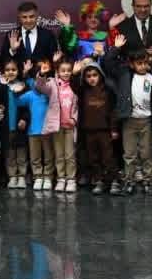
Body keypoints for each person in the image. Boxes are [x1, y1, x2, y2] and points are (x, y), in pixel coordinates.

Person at [104, 34, 152, 194]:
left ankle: (148, 180)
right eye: (139, 63)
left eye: (145, 63)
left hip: (146, 120)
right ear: (132, 64)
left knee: (146, 153)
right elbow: (107, 63)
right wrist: (116, 48)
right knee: (129, 154)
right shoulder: (125, 75)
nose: (143, 66)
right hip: (129, 120)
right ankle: (129, 180)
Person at [75, 60, 118, 194]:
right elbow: (72, 86)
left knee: (108, 157)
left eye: (95, 75)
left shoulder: (107, 91)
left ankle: (113, 181)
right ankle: (98, 180)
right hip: (88, 130)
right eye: (88, 76)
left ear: (100, 75)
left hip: (104, 130)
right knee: (93, 158)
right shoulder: (83, 91)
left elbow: (112, 111)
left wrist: (114, 128)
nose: (92, 78)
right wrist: (75, 74)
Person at [0, 57, 31, 189]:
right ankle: (12, 176)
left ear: (18, 71)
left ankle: (22, 176)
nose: (10, 72)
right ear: (3, 72)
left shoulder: (23, 86)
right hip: (6, 127)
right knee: (9, 154)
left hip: (20, 127)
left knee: (21, 153)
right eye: (7, 70)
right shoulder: (0, 87)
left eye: (13, 70)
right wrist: (3, 84)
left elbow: (28, 106)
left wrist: (24, 119)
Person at [21, 59, 59, 192]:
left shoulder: (50, 90)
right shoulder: (30, 91)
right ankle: (37, 176)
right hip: (33, 130)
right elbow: (19, 99)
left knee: (49, 155)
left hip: (47, 129)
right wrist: (25, 74)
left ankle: (48, 176)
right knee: (35, 156)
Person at [51, 58, 79, 193]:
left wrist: (74, 119)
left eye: (69, 70)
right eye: (63, 70)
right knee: (59, 154)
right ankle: (61, 178)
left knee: (70, 155)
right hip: (57, 126)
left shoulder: (75, 85)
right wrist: (53, 64)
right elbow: (41, 85)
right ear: (58, 72)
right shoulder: (54, 84)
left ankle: (71, 179)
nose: (66, 73)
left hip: (70, 126)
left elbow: (78, 106)